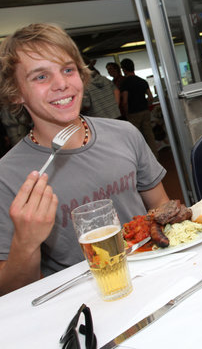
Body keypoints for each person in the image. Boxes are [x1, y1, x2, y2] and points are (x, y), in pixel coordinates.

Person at [0, 23, 170, 295]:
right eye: (41, 77)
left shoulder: (126, 134)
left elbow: (161, 206)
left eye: (68, 70)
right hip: (83, 308)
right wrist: (25, 242)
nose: (61, 84)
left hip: (157, 279)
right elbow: (11, 293)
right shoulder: (7, 176)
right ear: (16, 92)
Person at [120, 58, 159, 159]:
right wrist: (148, 107)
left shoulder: (125, 83)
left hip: (133, 113)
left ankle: (142, 160)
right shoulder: (142, 81)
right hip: (145, 111)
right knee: (149, 136)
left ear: (123, 69)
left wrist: (127, 113)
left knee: (135, 138)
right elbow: (150, 97)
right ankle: (155, 158)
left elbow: (125, 101)